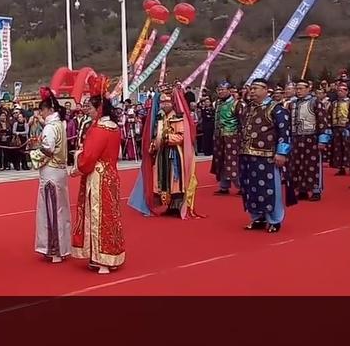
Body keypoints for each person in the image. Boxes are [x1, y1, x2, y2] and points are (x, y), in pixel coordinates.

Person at [71, 76, 125, 274]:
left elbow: (88, 158)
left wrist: (77, 162)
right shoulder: (114, 128)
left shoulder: (98, 130)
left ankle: (101, 258)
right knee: (111, 216)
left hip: (98, 176)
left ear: (99, 108)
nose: (89, 112)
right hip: (111, 173)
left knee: (97, 215)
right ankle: (111, 254)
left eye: (91, 109)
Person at [129, 89, 199, 217]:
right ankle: (167, 203)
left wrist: (167, 138)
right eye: (162, 102)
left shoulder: (177, 118)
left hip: (174, 153)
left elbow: (181, 137)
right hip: (161, 152)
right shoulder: (159, 118)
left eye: (167, 102)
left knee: (175, 178)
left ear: (172, 103)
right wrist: (153, 144)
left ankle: (177, 205)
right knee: (162, 178)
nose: (164, 105)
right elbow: (155, 135)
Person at [240, 78, 291, 233]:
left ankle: (275, 220)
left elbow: (285, 132)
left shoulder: (276, 109)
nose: (252, 91)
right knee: (251, 188)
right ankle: (257, 217)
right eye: (251, 88)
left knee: (270, 188)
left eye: (256, 88)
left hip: (267, 156)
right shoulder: (248, 108)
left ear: (266, 90)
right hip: (247, 154)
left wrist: (282, 152)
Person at [30, 87, 71, 263]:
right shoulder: (59, 125)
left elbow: (47, 150)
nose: (41, 112)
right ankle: (61, 247)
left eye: (43, 109)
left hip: (50, 174)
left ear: (50, 109)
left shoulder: (49, 128)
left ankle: (54, 249)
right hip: (60, 170)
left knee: (51, 210)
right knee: (60, 209)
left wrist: (32, 154)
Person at [287, 79, 331, 201]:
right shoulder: (293, 103)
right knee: (297, 164)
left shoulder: (315, 102)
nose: (299, 91)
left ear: (308, 89)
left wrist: (322, 139)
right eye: (297, 88)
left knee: (312, 165)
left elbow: (323, 121)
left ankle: (316, 190)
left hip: (311, 138)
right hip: (296, 138)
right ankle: (302, 189)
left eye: (301, 88)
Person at [212, 82, 242, 195]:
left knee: (233, 161)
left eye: (223, 90)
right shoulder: (217, 103)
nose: (220, 92)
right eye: (219, 90)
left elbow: (241, 121)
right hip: (219, 136)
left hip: (232, 137)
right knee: (221, 161)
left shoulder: (236, 104)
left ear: (229, 90)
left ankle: (241, 186)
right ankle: (224, 186)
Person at [328, 83, 350, 176]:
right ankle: (340, 166)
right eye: (338, 90)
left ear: (346, 92)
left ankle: (347, 165)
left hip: (345, 126)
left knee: (346, 147)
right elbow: (330, 114)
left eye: (342, 90)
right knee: (337, 148)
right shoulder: (334, 103)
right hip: (335, 126)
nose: (340, 92)